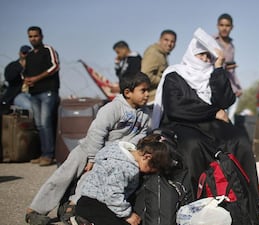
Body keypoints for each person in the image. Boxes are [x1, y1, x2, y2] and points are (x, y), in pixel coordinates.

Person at [152, 35, 259, 225]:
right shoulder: (174, 74)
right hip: (182, 123)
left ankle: (251, 208)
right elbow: (176, 108)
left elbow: (226, 100)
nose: (205, 60)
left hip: (208, 124)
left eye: (208, 56)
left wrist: (219, 68)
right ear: (191, 54)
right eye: (201, 56)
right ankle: (193, 209)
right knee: (193, 146)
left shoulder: (212, 74)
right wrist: (213, 112)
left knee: (239, 138)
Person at [25, 72, 151, 225]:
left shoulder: (145, 115)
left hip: (111, 156)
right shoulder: (113, 108)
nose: (147, 94)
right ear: (127, 93)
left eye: (148, 90)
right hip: (89, 149)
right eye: (143, 90)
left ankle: (72, 208)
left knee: (88, 182)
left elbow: (142, 134)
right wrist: (93, 157)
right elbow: (97, 132)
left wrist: (123, 153)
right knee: (64, 176)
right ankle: (35, 210)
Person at [74, 134, 172, 225]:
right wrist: (128, 215)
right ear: (146, 157)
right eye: (153, 168)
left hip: (92, 198)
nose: (151, 172)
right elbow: (113, 195)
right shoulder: (124, 168)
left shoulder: (116, 150)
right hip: (96, 204)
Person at [23, 26, 60, 166]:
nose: (33, 39)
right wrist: (26, 79)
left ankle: (49, 155)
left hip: (48, 91)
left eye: (35, 36)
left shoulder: (48, 50)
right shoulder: (30, 55)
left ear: (41, 36)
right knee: (39, 124)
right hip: (34, 93)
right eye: (30, 36)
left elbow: (54, 66)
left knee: (46, 123)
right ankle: (43, 153)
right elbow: (25, 71)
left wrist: (36, 78)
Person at [215, 13, 242, 122]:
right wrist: (223, 65)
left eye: (227, 25)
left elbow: (232, 71)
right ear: (217, 26)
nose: (224, 28)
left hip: (229, 87)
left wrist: (237, 87)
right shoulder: (212, 41)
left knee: (230, 119)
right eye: (221, 25)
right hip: (215, 85)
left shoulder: (231, 46)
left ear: (232, 27)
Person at [141, 30, 177, 105]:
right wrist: (165, 81)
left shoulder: (162, 54)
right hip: (151, 100)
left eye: (172, 41)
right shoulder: (154, 53)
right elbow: (145, 75)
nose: (169, 44)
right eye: (166, 40)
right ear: (160, 40)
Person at [1, 45, 32, 110]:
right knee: (29, 106)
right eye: (24, 53)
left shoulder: (35, 67)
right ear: (20, 53)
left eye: (29, 54)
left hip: (33, 94)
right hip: (17, 94)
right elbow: (9, 78)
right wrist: (22, 68)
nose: (26, 55)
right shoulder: (12, 66)